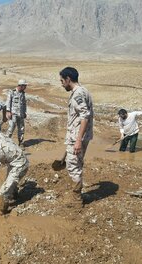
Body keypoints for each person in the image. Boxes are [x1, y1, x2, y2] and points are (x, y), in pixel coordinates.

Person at [59, 67, 93, 205]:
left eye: (62, 81)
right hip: (79, 135)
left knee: (73, 166)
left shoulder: (78, 94)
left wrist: (78, 140)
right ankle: (77, 194)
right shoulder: (84, 90)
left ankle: (76, 199)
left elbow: (85, 116)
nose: (61, 84)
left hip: (77, 137)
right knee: (77, 163)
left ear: (68, 79)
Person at [6, 79, 27, 146]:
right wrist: (8, 111)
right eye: (24, 85)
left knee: (21, 129)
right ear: (21, 86)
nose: (26, 87)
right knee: (11, 128)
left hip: (20, 114)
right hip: (13, 114)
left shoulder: (23, 93)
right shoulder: (12, 92)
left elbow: (24, 104)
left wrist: (24, 112)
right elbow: (8, 102)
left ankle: (21, 142)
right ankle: (6, 143)